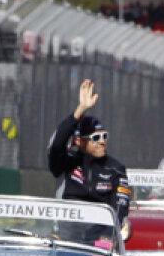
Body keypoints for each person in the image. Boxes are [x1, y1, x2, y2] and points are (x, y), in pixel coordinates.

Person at [47, 79, 130, 225]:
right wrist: (79, 111)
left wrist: (108, 234)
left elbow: (120, 208)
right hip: (66, 232)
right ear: (79, 141)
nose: (102, 141)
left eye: (104, 136)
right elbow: (56, 145)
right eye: (95, 138)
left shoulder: (116, 169)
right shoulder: (66, 163)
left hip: (99, 234)